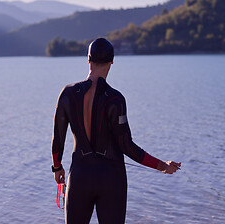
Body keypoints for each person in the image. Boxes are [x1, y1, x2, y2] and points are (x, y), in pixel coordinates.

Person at [51, 38, 181, 224]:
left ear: (88, 60)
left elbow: (58, 138)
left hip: (79, 176)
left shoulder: (67, 94)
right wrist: (162, 166)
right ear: (112, 61)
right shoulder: (115, 99)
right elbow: (127, 146)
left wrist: (57, 167)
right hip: (111, 180)